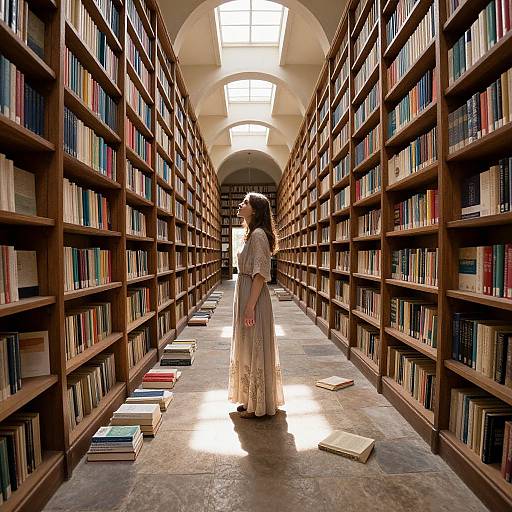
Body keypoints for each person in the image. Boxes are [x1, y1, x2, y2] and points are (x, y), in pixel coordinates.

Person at [228, 192, 285, 418]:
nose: (240, 204)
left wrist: (250, 306)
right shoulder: (251, 234)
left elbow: (261, 274)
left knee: (255, 344)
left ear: (255, 209)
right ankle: (251, 398)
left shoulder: (259, 235)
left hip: (253, 296)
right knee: (247, 345)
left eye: (245, 202)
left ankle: (259, 404)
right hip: (245, 293)